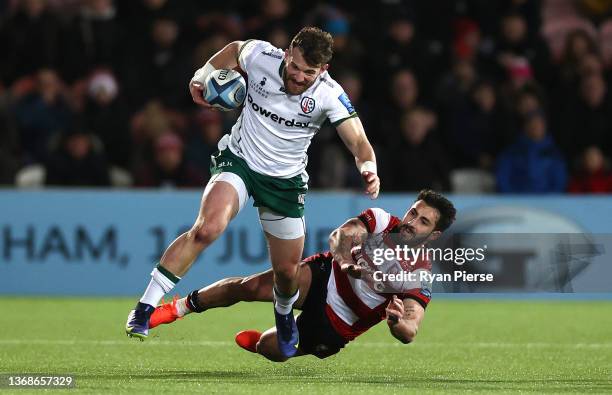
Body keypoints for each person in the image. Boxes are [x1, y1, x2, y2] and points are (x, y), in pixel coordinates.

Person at [125, 27, 380, 359]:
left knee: (287, 273)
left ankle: (284, 313)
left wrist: (368, 168)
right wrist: (202, 76)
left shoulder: (329, 94)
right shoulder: (261, 56)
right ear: (288, 53)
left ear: (323, 71)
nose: (300, 77)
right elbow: (233, 49)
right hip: (240, 161)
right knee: (207, 228)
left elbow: (359, 142)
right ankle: (145, 307)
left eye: (309, 73)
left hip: (285, 182)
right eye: (296, 67)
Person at [148, 190, 456, 361]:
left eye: (423, 221)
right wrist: (348, 265)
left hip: (340, 322)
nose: (411, 221)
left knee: (271, 349)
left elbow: (411, 329)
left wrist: (397, 322)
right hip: (325, 276)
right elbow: (341, 237)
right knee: (250, 286)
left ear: (433, 235)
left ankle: (273, 341)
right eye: (413, 212)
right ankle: (178, 308)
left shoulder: (419, 274)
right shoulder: (381, 221)